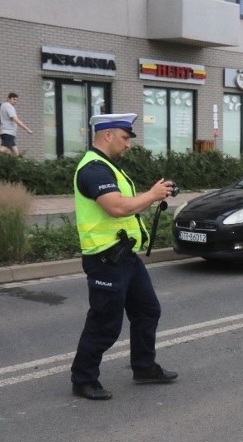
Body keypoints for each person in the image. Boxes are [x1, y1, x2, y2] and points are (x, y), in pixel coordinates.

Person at [70, 113, 178, 400]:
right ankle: (83, 379)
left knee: (147, 310)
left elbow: (126, 206)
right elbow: (117, 208)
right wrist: (153, 195)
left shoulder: (107, 167)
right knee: (105, 323)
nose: (128, 144)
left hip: (124, 257)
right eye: (125, 137)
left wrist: (154, 193)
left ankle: (144, 367)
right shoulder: (93, 169)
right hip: (105, 259)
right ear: (107, 135)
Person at [0, 93, 33, 157]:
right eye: (14, 99)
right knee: (3, 149)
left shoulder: (3, 105)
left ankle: (14, 164)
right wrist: (27, 129)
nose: (15, 101)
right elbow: (15, 119)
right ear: (8, 98)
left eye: (17, 100)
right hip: (8, 132)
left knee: (15, 152)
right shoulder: (9, 106)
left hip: (5, 131)